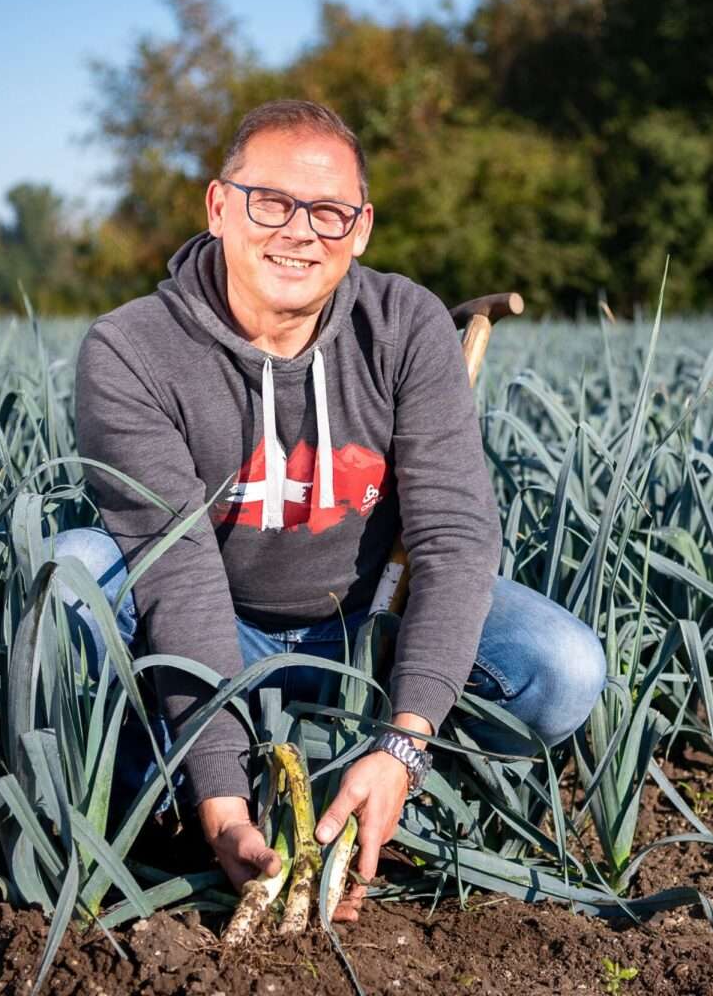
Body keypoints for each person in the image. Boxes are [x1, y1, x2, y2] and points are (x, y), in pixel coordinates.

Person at [59, 99, 606, 923]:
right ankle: (174, 811)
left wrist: (403, 744)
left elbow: (456, 541)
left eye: (328, 211)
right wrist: (223, 806)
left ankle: (380, 795)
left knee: (563, 667)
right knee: (73, 575)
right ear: (218, 206)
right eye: (270, 201)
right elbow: (177, 578)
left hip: (366, 626)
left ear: (361, 228)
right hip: (219, 626)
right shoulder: (133, 351)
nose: (299, 232)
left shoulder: (405, 323)